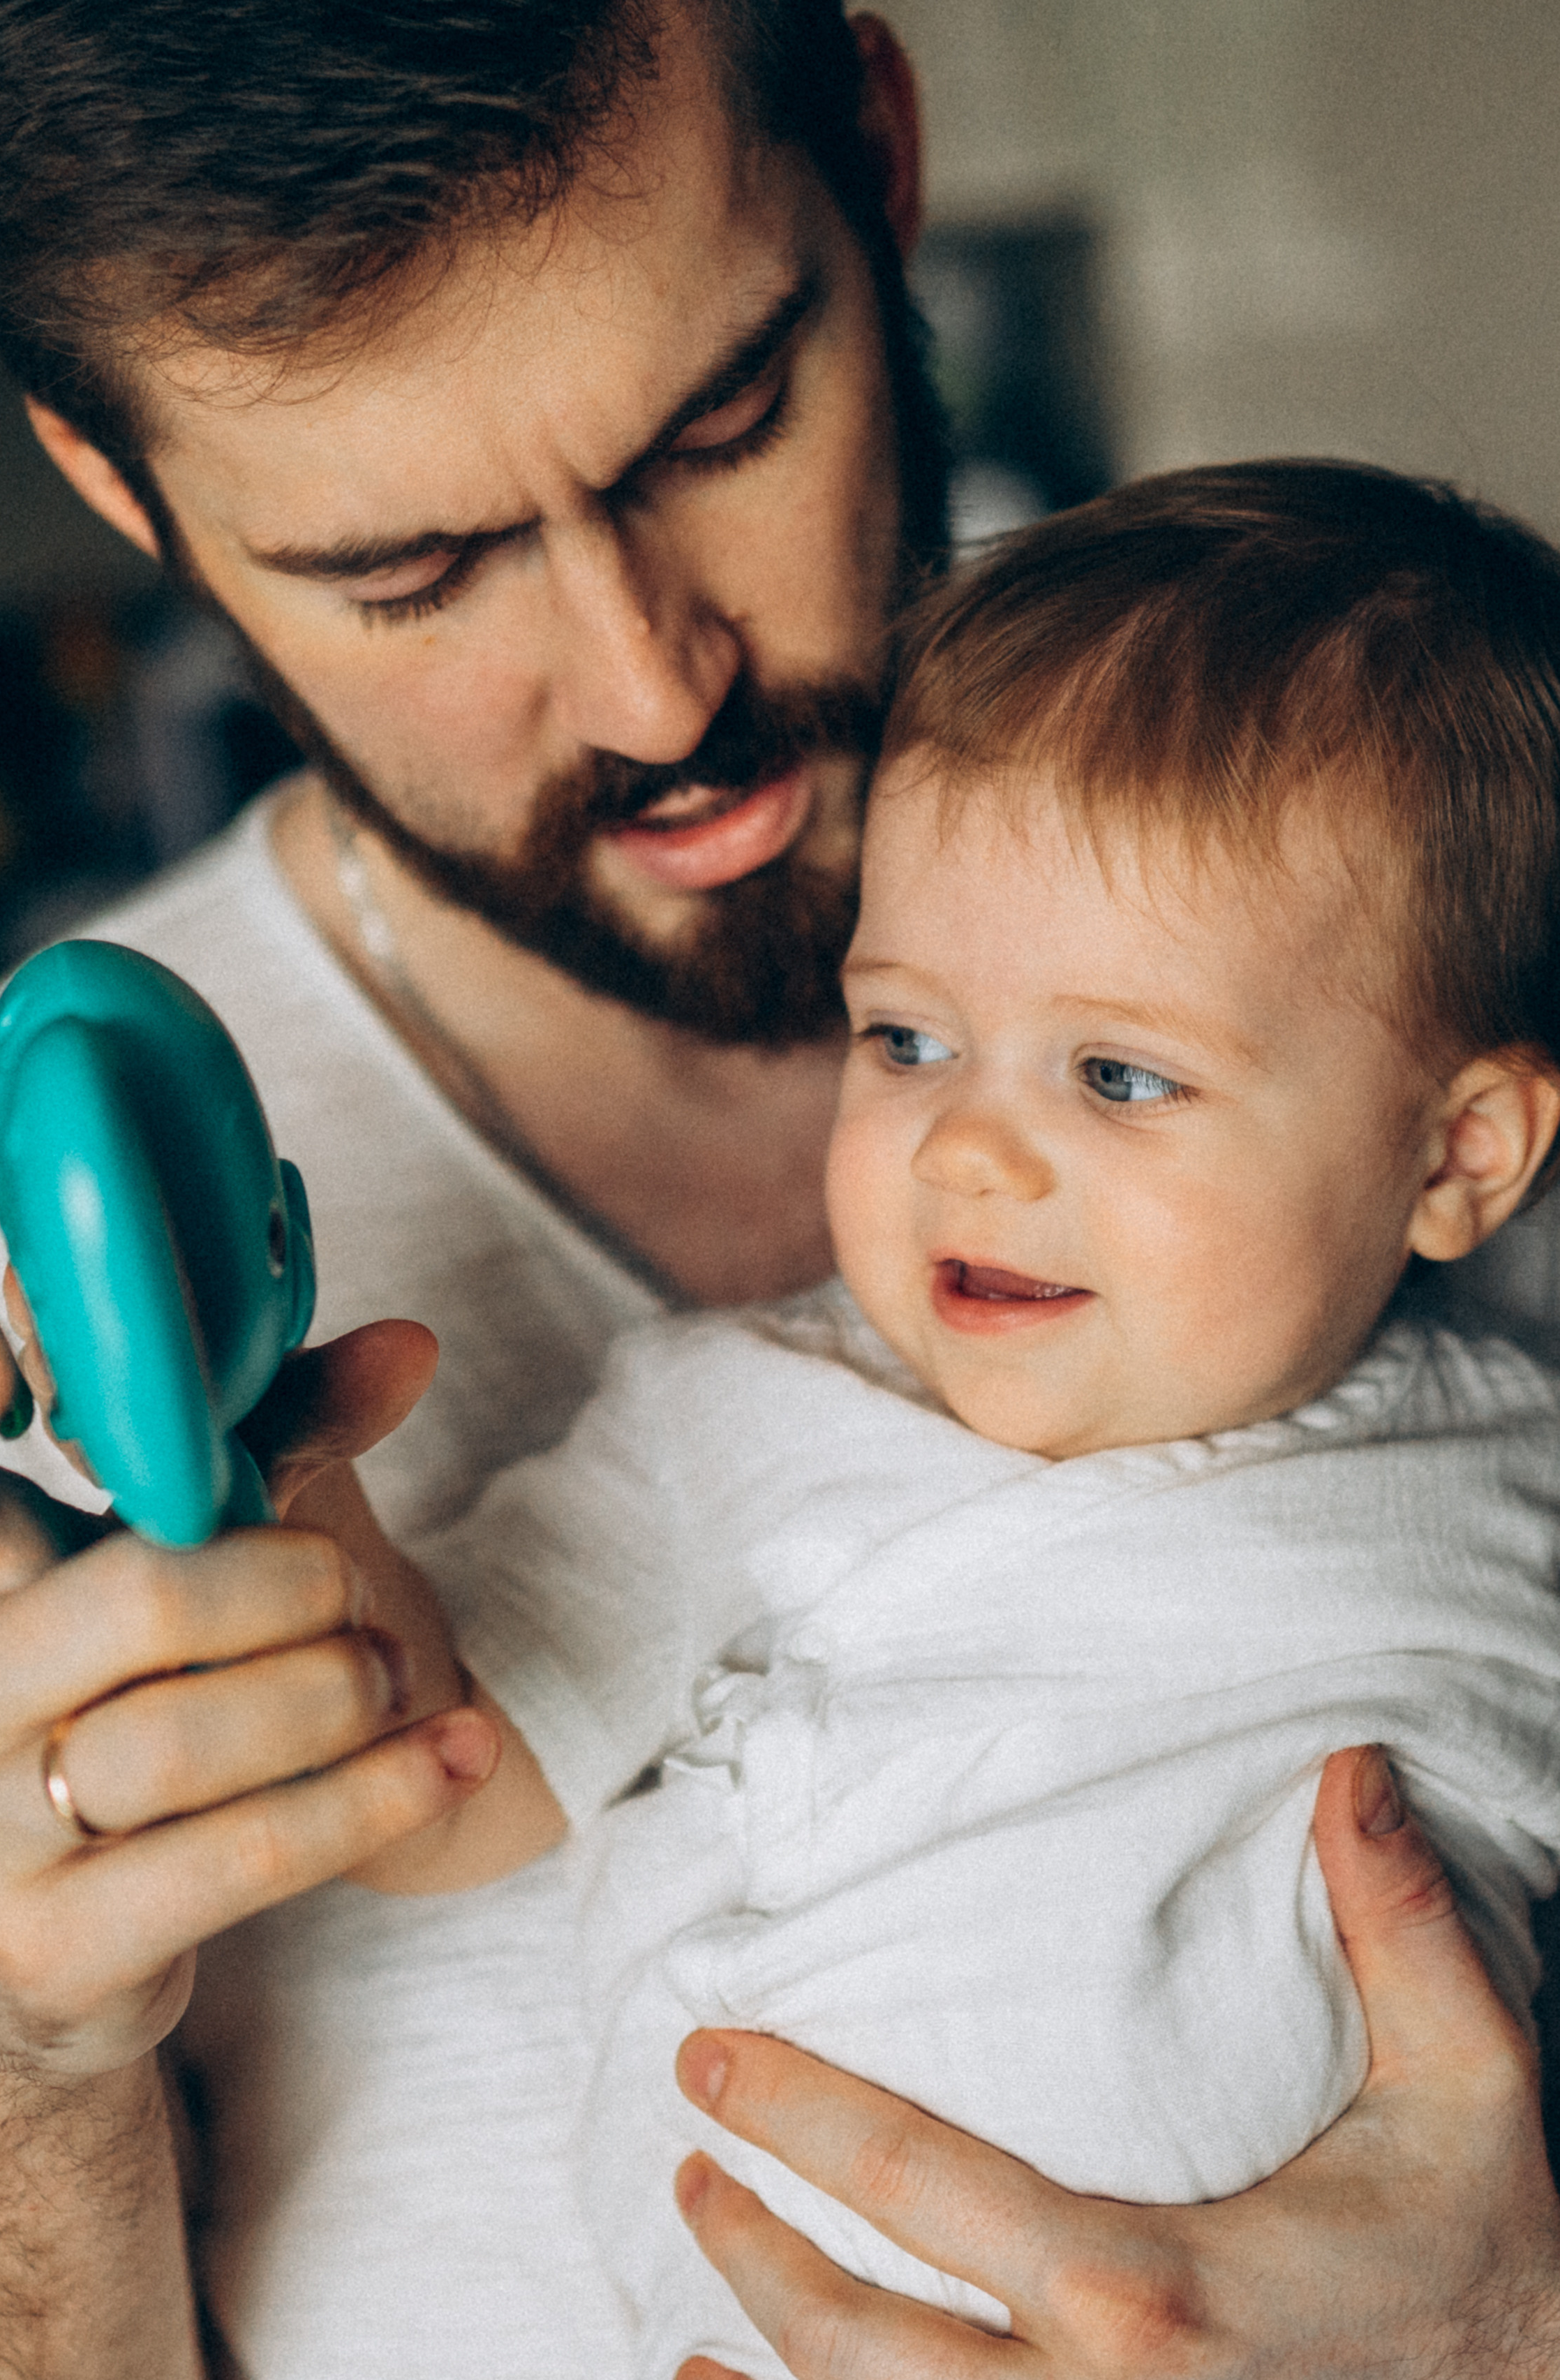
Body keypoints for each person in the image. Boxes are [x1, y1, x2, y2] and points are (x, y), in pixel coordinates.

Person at [0, 4, 1558, 2375]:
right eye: (416, 570)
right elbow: (448, 1731)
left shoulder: (1408, 851)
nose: (645, 686)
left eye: (721, 424)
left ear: (879, 157)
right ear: (121, 488)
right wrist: (17, 2069)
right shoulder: (55, 1306)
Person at [332, 460, 1560, 2379]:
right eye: (902, 1035)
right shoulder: (743, 1418)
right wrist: (286, 1483)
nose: (964, 1142)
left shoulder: (1512, 1478)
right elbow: (437, 1790)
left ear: (1454, 1152)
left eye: (1116, 1073)